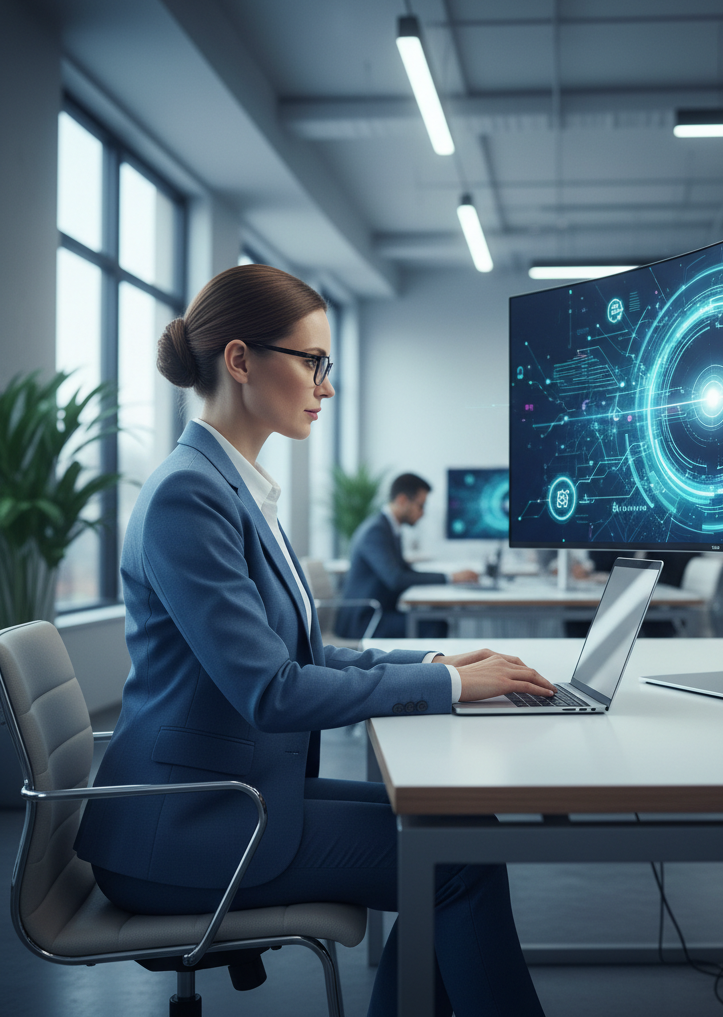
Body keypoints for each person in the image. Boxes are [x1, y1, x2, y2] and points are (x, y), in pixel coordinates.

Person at [73, 264, 554, 1017]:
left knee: (460, 831)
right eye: (313, 362)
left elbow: (302, 658)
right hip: (186, 828)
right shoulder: (188, 495)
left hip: (235, 794)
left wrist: (434, 664)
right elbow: (273, 692)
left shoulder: (235, 487)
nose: (326, 387)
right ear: (240, 361)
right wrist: (452, 689)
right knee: (457, 857)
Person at [336, 473, 478, 639]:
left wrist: (450, 577)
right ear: (402, 500)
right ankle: (434, 666)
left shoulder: (389, 528)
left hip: (379, 614)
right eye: (421, 506)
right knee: (435, 625)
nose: (423, 513)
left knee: (435, 619)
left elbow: (406, 571)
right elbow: (396, 579)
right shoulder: (375, 531)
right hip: (365, 622)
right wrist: (451, 577)